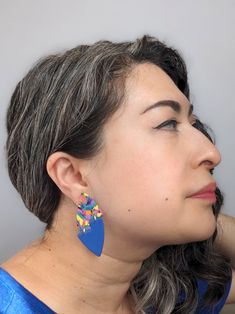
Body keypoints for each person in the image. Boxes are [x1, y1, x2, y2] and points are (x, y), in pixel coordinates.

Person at [0, 35, 234, 314]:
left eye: (193, 124)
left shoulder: (170, 295)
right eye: (168, 123)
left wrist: (198, 207)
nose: (211, 152)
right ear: (75, 176)